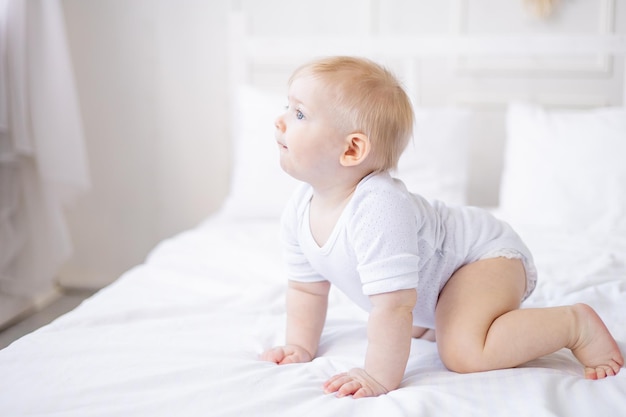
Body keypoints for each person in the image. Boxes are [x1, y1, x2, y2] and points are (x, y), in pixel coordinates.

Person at [260, 56, 623, 398]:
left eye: (300, 114)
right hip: (444, 279)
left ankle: (574, 324)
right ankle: (441, 317)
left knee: (464, 352)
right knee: (428, 325)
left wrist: (377, 375)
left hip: (485, 258)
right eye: (287, 107)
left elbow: (393, 308)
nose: (281, 120)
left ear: (352, 150)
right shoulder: (300, 208)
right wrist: (299, 346)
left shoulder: (377, 208)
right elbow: (306, 290)